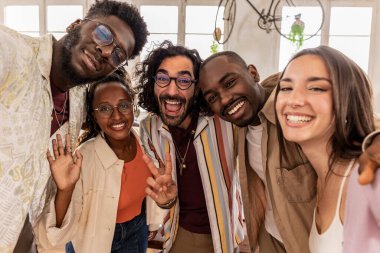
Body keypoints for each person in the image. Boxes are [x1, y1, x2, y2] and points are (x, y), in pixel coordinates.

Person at [0, 0, 148, 251]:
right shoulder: (14, 52)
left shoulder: (78, 100)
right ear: (76, 24)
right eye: (103, 34)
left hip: (22, 238)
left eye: (117, 55)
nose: (105, 51)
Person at [198, 51, 380, 253]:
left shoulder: (293, 117)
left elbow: (363, 120)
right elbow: (260, 188)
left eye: (230, 83)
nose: (224, 99)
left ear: (252, 73)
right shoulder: (241, 126)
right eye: (213, 97)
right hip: (272, 240)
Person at [35, 72, 176, 252]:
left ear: (132, 107)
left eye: (123, 105)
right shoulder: (82, 158)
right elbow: (55, 235)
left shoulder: (147, 145)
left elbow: (158, 197)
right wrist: (65, 190)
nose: (117, 116)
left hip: (137, 230)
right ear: (93, 115)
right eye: (104, 108)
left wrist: (165, 203)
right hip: (92, 240)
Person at [136, 40, 245, 253]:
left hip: (227, 236)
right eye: (163, 78)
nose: (172, 90)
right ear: (153, 83)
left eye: (184, 80)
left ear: (197, 89)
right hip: (179, 233)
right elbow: (165, 195)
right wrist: (166, 201)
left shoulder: (225, 121)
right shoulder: (149, 127)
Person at [274, 46, 376, 252]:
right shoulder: (320, 179)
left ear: (348, 101)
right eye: (286, 88)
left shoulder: (367, 179)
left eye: (316, 88)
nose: (294, 100)